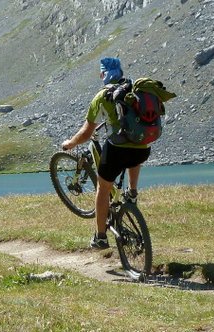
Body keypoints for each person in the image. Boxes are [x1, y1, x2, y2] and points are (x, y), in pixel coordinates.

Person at [60, 57, 152, 249]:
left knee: (102, 189)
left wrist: (70, 143)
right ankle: (132, 193)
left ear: (103, 75)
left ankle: (100, 237)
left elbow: (86, 133)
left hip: (117, 151)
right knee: (134, 148)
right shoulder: (135, 89)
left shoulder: (102, 96)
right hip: (144, 147)